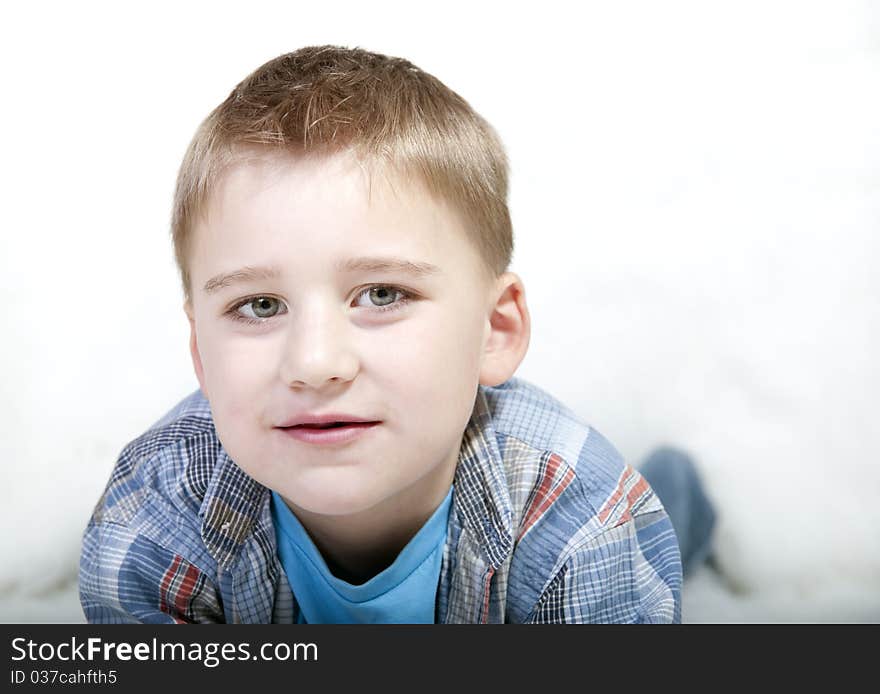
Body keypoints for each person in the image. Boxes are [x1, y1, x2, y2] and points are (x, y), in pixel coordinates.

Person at [79, 45, 708, 623]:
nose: (316, 363)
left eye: (382, 295)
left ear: (495, 329)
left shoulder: (584, 523)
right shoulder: (154, 513)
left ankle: (681, 493)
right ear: (200, 354)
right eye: (261, 305)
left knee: (662, 518)